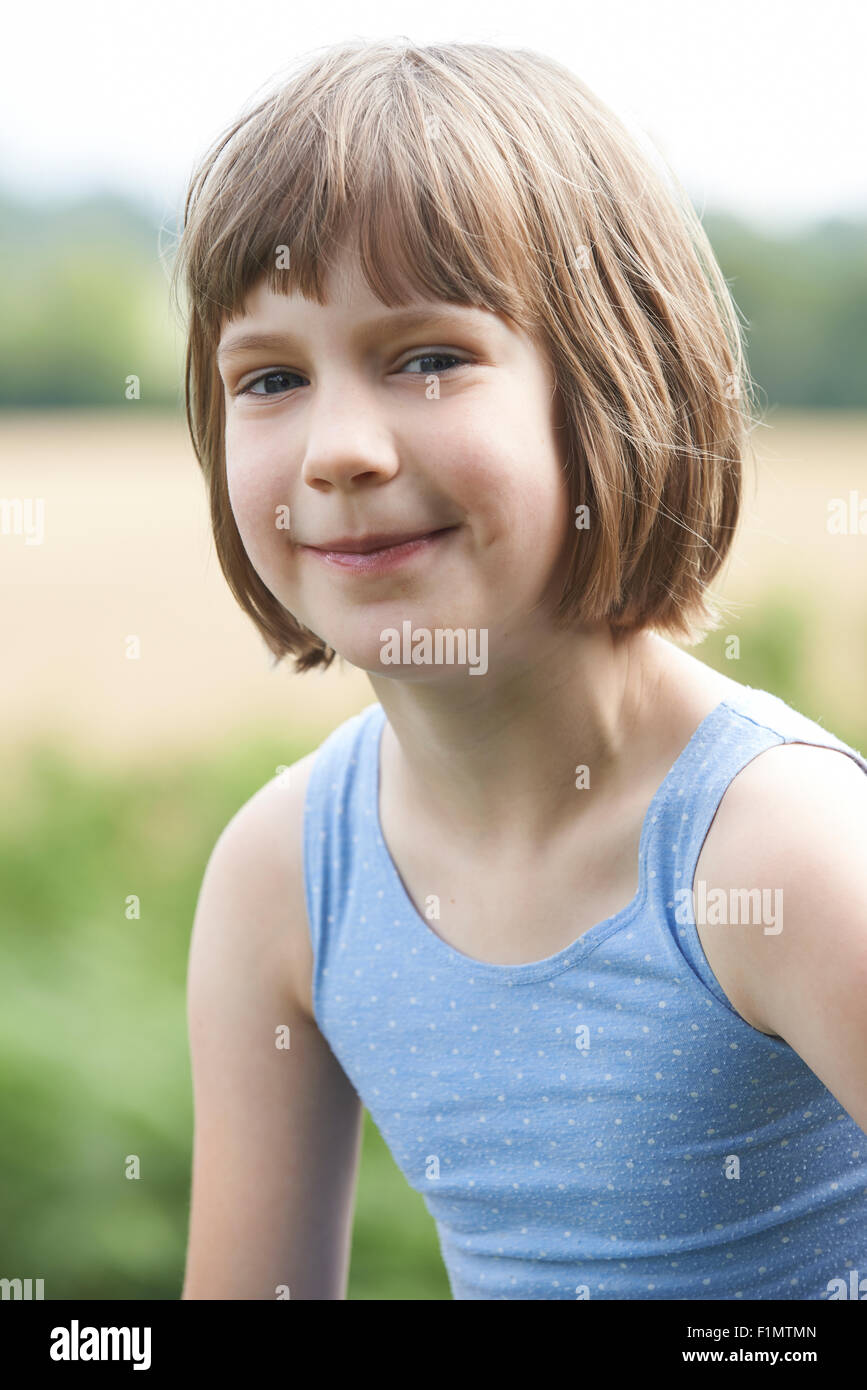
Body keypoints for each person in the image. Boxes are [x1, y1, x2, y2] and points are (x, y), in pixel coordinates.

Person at [175, 38, 867, 1300]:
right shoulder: (282, 880)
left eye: (427, 358)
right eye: (271, 377)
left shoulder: (787, 855)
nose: (339, 448)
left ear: (612, 379)